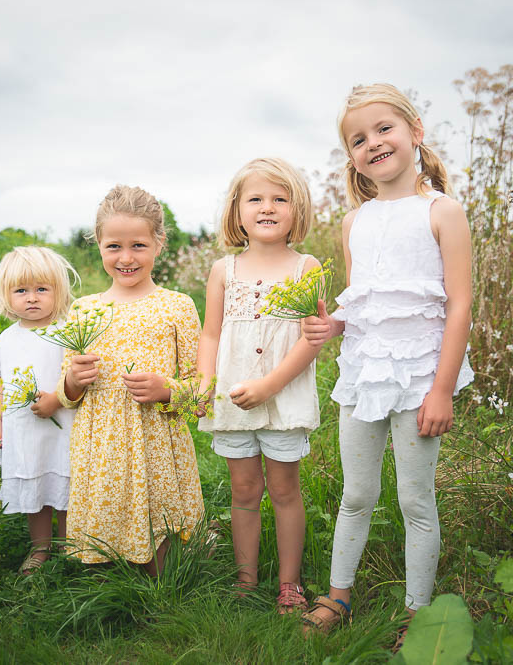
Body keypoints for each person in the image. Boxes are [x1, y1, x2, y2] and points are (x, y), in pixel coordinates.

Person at [300, 84, 474, 648]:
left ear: (414, 132)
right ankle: (339, 594)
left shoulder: (442, 211)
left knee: (414, 501)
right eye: (358, 139)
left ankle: (418, 614)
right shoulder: (355, 223)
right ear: (351, 156)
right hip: (364, 376)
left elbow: (460, 303)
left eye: (384, 129)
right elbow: (364, 301)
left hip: (421, 377)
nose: (373, 143)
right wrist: (334, 327)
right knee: (357, 495)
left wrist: (442, 389)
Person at [57, 184, 204, 576]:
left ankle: (165, 590)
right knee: (106, 541)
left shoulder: (178, 306)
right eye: (114, 247)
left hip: (156, 441)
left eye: (138, 245)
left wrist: (166, 389)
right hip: (102, 442)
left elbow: (201, 396)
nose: (126, 258)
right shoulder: (84, 309)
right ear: (99, 246)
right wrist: (73, 380)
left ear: (159, 243)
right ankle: (109, 589)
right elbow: (67, 395)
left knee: (162, 555)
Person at [197, 158, 322, 613]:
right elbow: (210, 334)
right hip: (232, 399)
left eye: (279, 198)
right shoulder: (223, 271)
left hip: (283, 398)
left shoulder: (306, 267)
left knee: (285, 490)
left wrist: (269, 385)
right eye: (256, 199)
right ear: (237, 211)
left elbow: (312, 342)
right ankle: (245, 580)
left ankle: (289, 585)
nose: (267, 207)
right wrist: (203, 383)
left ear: (297, 208)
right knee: (244, 490)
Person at [0, 245, 79, 575]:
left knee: (64, 483)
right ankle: (40, 549)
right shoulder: (7, 339)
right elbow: (0, 383)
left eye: (42, 289)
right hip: (25, 430)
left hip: (63, 424)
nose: (32, 298)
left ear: (58, 291)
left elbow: (76, 377)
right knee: (35, 487)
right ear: (6, 295)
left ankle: (71, 547)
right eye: (21, 290)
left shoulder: (68, 331)